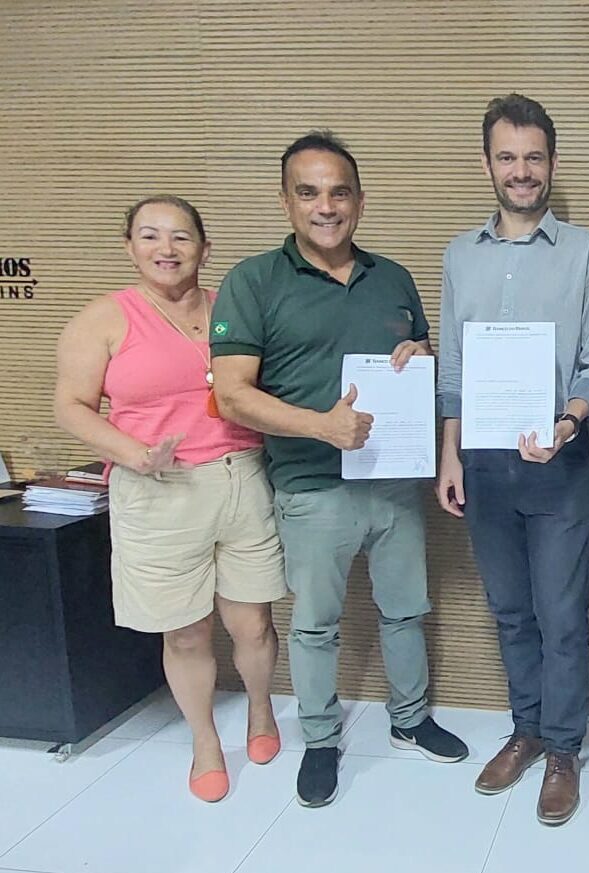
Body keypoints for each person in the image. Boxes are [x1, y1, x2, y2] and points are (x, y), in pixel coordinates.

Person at [210, 131, 468, 809]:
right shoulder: (253, 281)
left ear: (359, 200)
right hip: (312, 487)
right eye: (309, 192)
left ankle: (410, 719)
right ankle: (321, 739)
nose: (326, 206)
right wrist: (320, 425)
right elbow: (232, 394)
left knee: (406, 611)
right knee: (315, 624)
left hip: (394, 480)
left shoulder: (393, 277)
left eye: (339, 192)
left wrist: (418, 357)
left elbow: (419, 358)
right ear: (286, 201)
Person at [55, 195, 286, 803]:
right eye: (150, 236)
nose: (166, 248)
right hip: (158, 489)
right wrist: (134, 454)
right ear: (130, 247)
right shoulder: (104, 319)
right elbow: (70, 406)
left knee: (253, 621)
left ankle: (261, 711)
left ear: (205, 249)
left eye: (181, 236)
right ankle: (205, 742)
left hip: (243, 477)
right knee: (185, 632)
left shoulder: (232, 308)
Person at [436, 94, 589, 826]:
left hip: (558, 463)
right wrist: (449, 455)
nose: (521, 171)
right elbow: (452, 367)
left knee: (562, 615)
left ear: (552, 163)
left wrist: (568, 422)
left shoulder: (587, 252)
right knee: (511, 612)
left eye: (533, 157)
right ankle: (527, 730)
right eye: (507, 157)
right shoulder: (459, 255)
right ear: (487, 163)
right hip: (482, 464)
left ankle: (563, 748)